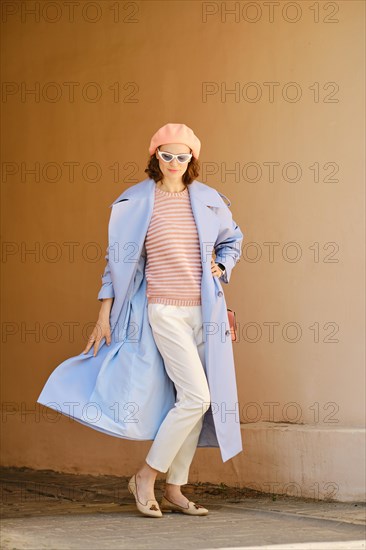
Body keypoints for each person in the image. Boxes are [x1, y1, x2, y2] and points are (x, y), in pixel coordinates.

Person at [37, 123, 243, 519]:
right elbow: (115, 265)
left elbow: (233, 239)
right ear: (155, 157)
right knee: (197, 396)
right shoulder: (136, 202)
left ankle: (175, 489)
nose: (175, 163)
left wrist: (222, 263)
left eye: (183, 157)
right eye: (167, 155)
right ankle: (145, 476)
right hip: (163, 311)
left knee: (195, 402)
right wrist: (103, 315)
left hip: (206, 311)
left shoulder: (209, 200)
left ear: (192, 160)